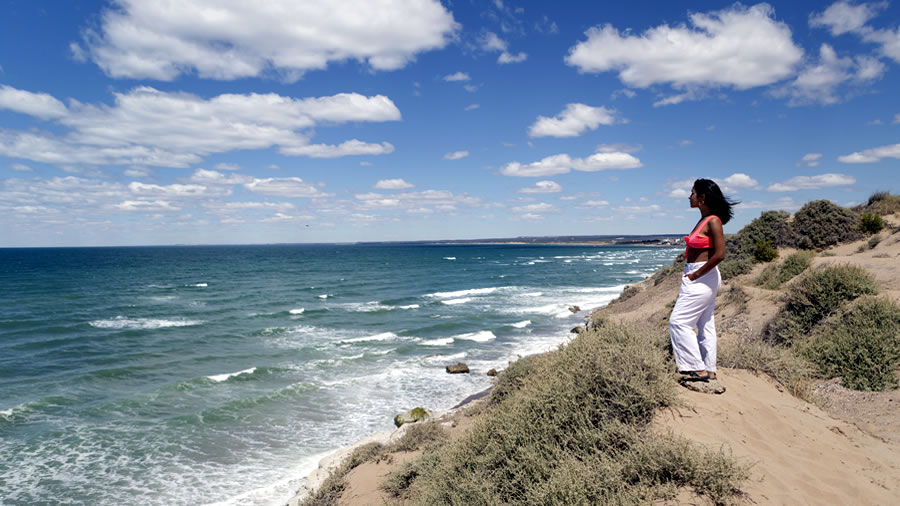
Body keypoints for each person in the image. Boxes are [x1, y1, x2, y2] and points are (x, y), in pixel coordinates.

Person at [669, 178, 738, 383]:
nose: (689, 197)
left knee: (678, 322)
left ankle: (696, 368)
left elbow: (720, 254)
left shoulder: (713, 221)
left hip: (702, 275)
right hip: (700, 274)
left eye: (692, 193)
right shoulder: (703, 219)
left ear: (702, 198)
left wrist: (696, 275)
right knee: (705, 323)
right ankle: (709, 369)